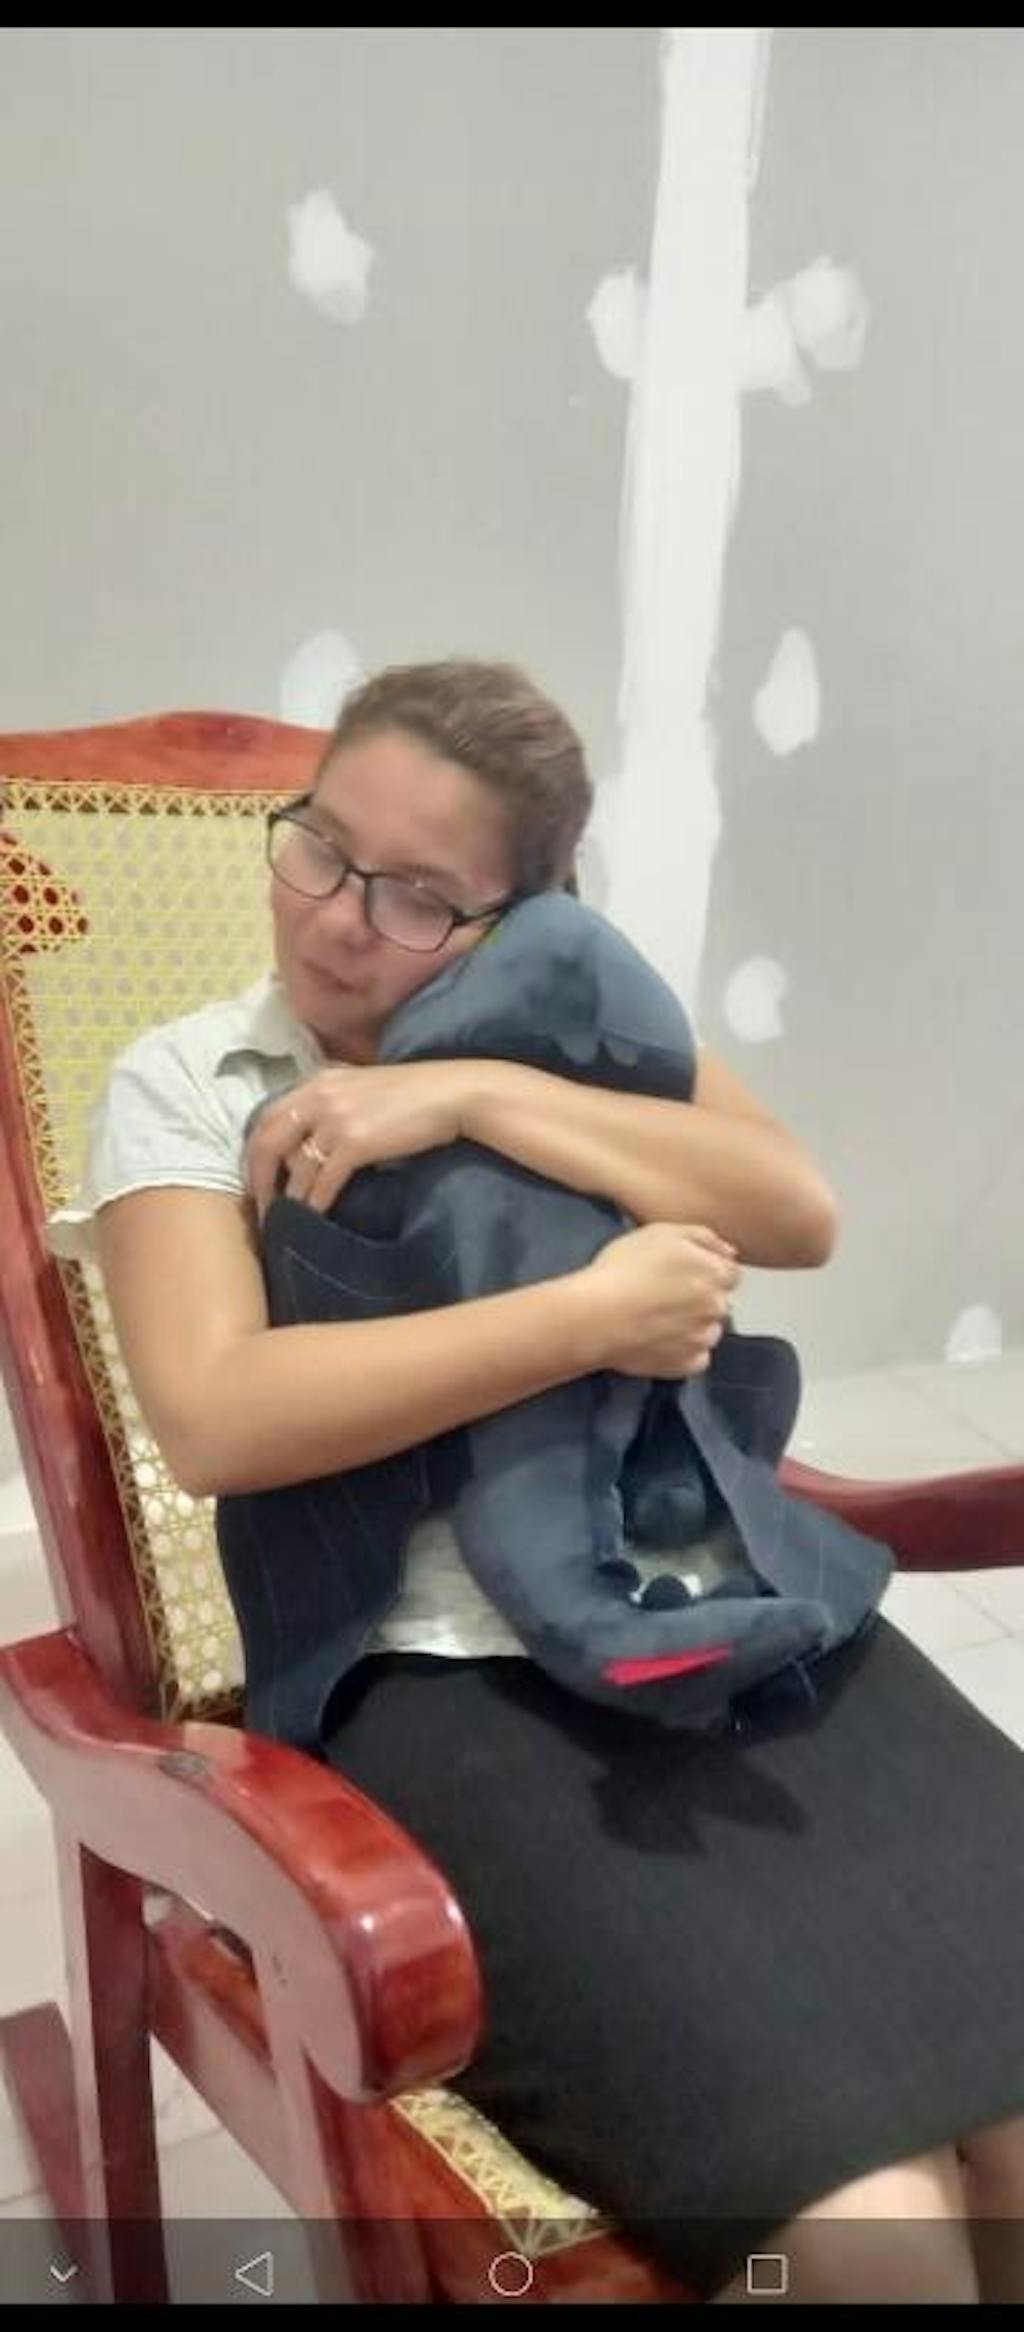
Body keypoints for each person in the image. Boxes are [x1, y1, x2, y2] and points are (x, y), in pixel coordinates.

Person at [76, 660, 1023, 2303]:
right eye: (320, 846)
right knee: (875, 2234)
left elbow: (792, 1209)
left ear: (519, 919)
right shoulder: (197, 1078)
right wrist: (583, 1319)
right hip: (430, 1680)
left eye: (417, 895)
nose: (339, 920)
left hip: (718, 1604)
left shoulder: (571, 1033)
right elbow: (218, 1417)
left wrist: (473, 1090)